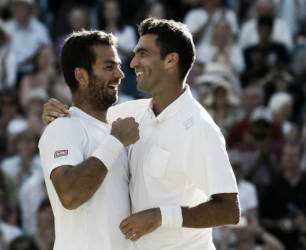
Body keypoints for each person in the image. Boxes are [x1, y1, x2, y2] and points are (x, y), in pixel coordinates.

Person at [42, 18, 240, 249]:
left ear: (170, 60)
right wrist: (58, 115)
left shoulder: (199, 127)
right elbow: (86, 116)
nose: (132, 64)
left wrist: (161, 216)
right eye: (134, 54)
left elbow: (229, 210)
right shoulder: (129, 115)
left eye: (143, 54)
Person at [38, 30, 140, 250]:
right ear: (81, 76)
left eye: (118, 66)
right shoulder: (62, 127)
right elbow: (70, 195)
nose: (120, 74)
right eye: (108, 67)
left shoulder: (116, 131)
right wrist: (115, 141)